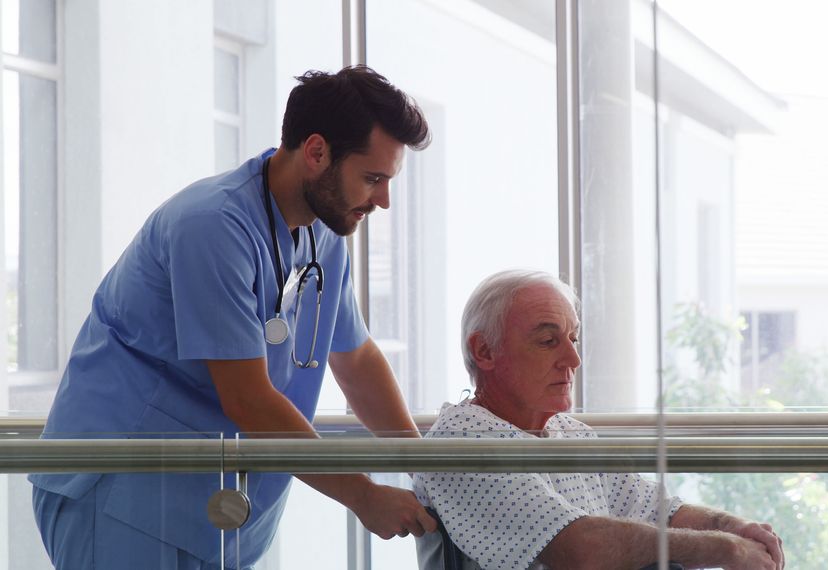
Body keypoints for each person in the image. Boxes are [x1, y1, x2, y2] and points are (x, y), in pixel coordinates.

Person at [30, 65, 437, 569]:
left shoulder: (325, 234)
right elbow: (248, 399)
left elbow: (355, 361)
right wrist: (363, 496)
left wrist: (429, 466)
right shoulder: (212, 226)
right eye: (372, 178)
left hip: (218, 514)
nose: (384, 200)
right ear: (316, 153)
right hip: (125, 493)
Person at [414, 270, 785, 570]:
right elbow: (581, 549)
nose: (572, 360)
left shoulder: (569, 432)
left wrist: (734, 528)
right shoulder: (462, 439)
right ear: (484, 351)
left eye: (573, 339)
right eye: (548, 341)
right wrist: (728, 550)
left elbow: (660, 511)